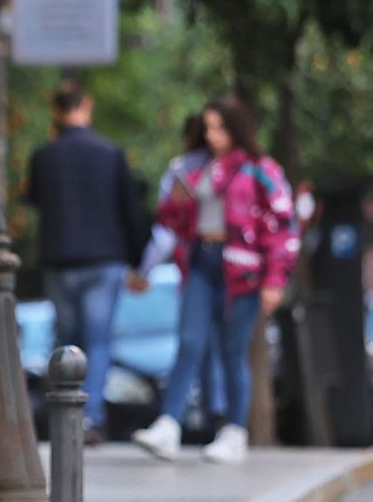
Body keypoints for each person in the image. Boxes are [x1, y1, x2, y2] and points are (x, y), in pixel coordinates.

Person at [133, 97, 297, 464]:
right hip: (201, 261)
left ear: (236, 129)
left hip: (243, 268)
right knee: (189, 341)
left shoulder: (261, 170)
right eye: (207, 127)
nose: (211, 135)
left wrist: (274, 279)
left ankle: (234, 430)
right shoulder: (194, 167)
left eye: (219, 127)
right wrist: (176, 202)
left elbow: (282, 227)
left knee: (232, 349)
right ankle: (168, 424)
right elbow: (170, 222)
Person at [27, 81, 145, 443]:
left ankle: (64, 414)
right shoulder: (110, 154)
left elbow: (34, 199)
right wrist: (138, 262)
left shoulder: (45, 155)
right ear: (87, 106)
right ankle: (90, 418)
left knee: (65, 340)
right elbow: (131, 211)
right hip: (103, 259)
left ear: (56, 112)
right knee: (98, 342)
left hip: (60, 258)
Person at [131, 113, 225, 424]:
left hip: (203, 262)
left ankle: (199, 418)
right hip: (225, 265)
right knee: (221, 345)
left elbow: (165, 232)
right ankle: (218, 418)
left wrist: (144, 269)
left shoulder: (184, 169)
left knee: (194, 343)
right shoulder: (193, 169)